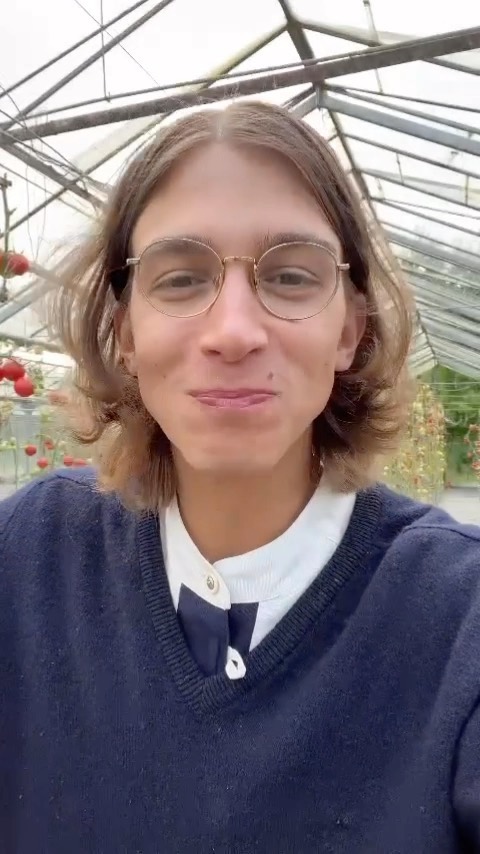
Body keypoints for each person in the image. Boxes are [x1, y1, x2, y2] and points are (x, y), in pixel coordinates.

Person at [1, 101, 479, 854]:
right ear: (125, 334)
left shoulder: (458, 623)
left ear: (350, 330)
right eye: (179, 279)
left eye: (290, 277)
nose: (232, 332)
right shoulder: (29, 560)